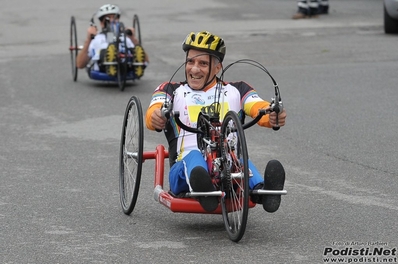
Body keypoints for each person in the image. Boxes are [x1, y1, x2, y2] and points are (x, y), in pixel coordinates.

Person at [145, 31, 287, 213]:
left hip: (228, 166)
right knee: (194, 157)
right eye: (190, 62)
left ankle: (263, 191)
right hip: (183, 165)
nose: (194, 69)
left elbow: (257, 106)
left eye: (203, 63)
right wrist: (156, 117)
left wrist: (272, 115)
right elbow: (153, 111)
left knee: (240, 162)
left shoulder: (237, 89)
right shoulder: (170, 89)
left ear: (217, 67)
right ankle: (202, 185)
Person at [76, 4, 149, 76]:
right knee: (104, 52)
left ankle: (136, 65)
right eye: (107, 18)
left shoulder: (126, 37)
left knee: (134, 50)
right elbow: (80, 65)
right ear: (101, 23)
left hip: (126, 65)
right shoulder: (96, 39)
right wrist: (88, 39)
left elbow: (146, 61)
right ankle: (110, 62)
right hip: (103, 67)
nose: (112, 20)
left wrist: (133, 39)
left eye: (114, 18)